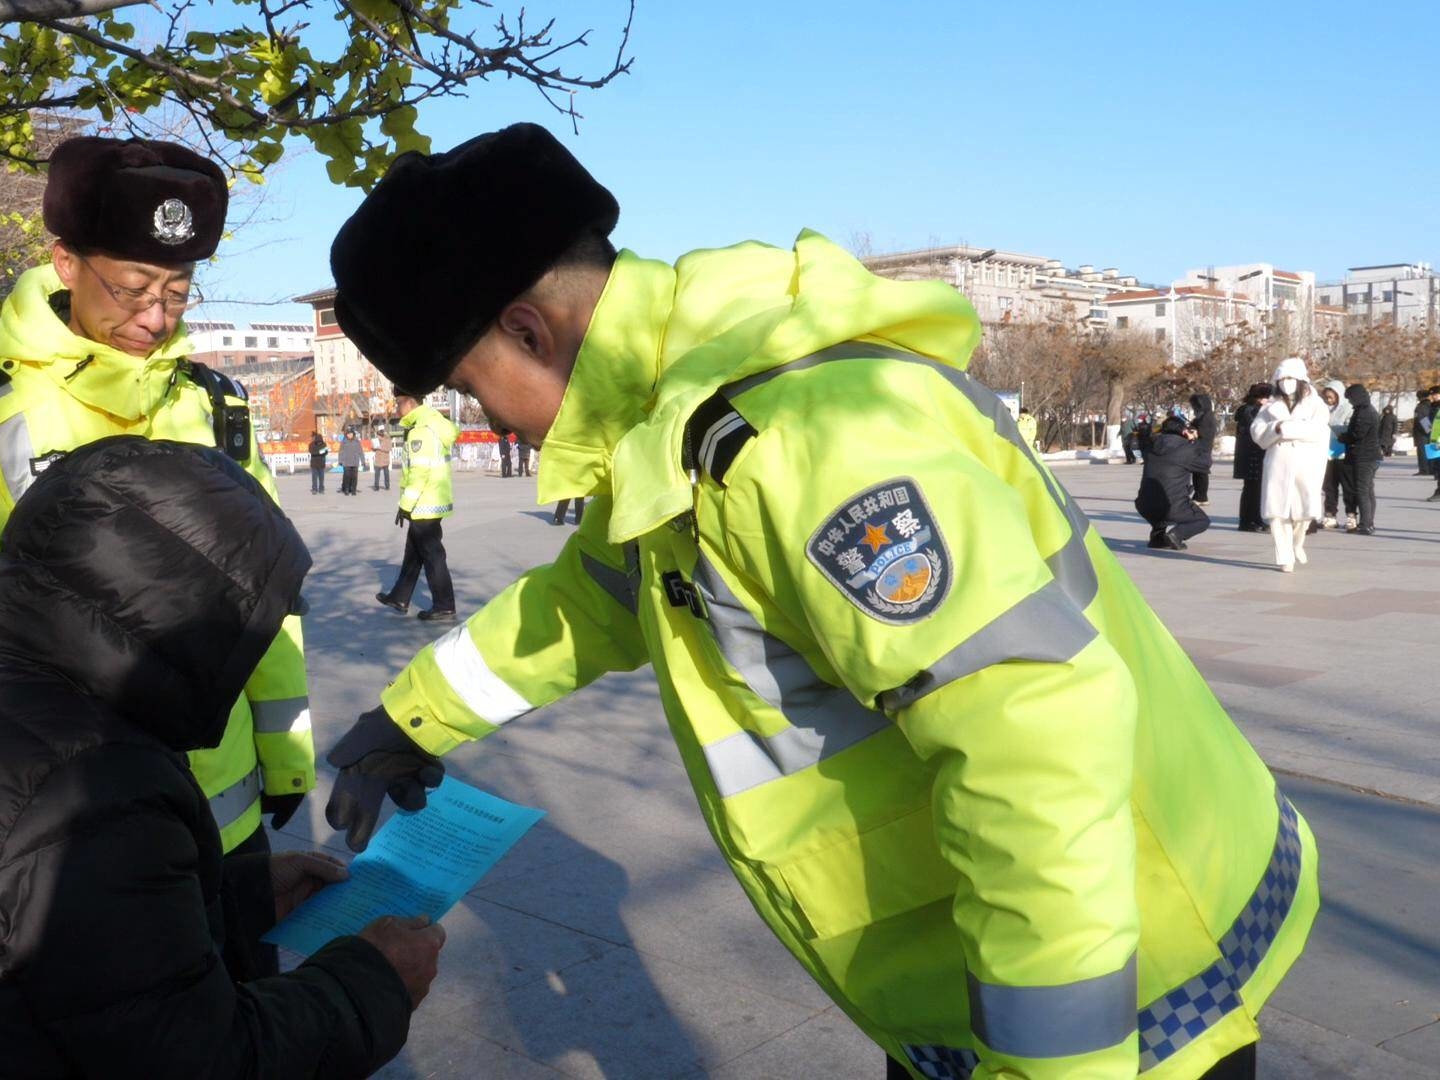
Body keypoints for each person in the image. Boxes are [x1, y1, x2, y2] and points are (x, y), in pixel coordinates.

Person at [318, 123, 1316, 1080]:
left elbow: (1033, 740)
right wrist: (410, 719)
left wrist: (1059, 1064)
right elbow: (593, 598)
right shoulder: (673, 428)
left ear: (527, 328)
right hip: (984, 969)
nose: (489, 419)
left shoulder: (802, 443)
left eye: (468, 386)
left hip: (1116, 980)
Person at [0, 438, 441, 1078]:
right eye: (256, 616)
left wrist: (232, 900)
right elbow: (209, 1063)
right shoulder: (95, 789)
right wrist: (372, 981)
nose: (265, 636)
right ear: (190, 611)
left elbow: (68, 940)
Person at [0, 137, 316, 918]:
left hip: (227, 813)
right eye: (134, 286)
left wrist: (285, 751)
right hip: (66, 829)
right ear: (67, 262)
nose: (155, 316)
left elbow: (264, 606)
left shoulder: (217, 410)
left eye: (178, 291)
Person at [375, 389, 458, 622]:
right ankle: (400, 597)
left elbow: (420, 472)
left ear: (410, 403)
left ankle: (444, 604)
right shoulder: (433, 423)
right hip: (433, 499)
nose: (396, 408)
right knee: (414, 552)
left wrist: (405, 504)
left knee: (432, 554)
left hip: (424, 503)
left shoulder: (421, 431)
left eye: (398, 403)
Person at [1251, 358, 1332, 573]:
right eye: (1282, 378)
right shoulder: (1270, 406)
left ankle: (1297, 544)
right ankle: (1284, 556)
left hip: (1306, 463)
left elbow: (1318, 430)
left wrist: (1288, 429)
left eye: (1290, 378)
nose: (1286, 382)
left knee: (1304, 513)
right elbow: (1257, 433)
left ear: (1300, 380)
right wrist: (1276, 428)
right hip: (1278, 463)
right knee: (1277, 513)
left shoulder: (1316, 404)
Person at [1135, 416, 1210, 550]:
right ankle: (1176, 535)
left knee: (1160, 508)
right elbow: (1205, 465)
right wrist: (1195, 441)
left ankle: (1157, 538)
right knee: (1202, 521)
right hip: (1171, 505)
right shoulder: (1186, 448)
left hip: (1144, 505)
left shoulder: (1151, 446)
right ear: (1183, 431)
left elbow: (1143, 442)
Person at [1338, 383, 1382, 535]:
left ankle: (1366, 525)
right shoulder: (1365, 410)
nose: (1349, 401)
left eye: (1350, 398)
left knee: (1362, 491)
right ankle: (1369, 523)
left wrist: (1342, 437)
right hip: (1369, 456)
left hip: (1364, 457)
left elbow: (1357, 435)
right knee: (1368, 490)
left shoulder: (1365, 413)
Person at [1232, 383, 1272, 532]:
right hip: (1251, 456)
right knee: (1252, 489)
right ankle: (1248, 521)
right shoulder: (1250, 411)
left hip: (1254, 455)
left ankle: (1254, 519)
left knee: (1255, 489)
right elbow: (1256, 431)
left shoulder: (1252, 410)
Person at [1317, 383, 1355, 531]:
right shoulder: (1322, 409)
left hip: (1343, 453)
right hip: (1327, 453)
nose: (1329, 400)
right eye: (1326, 397)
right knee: (1329, 487)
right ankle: (1330, 514)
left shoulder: (1347, 408)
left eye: (1331, 397)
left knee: (1348, 487)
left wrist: (1333, 427)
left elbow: (1349, 428)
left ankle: (1351, 515)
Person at [1188, 392, 1218, 505]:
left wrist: (1196, 432)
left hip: (1203, 447)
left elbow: (1206, 432)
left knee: (1201, 472)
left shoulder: (1207, 417)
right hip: (1198, 447)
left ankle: (1202, 496)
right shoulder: (1202, 416)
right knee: (1197, 472)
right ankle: (1199, 495)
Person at [338, 426, 364, 495]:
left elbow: (360, 451)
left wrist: (363, 461)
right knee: (347, 476)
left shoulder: (357, 441)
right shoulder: (344, 442)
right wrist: (340, 461)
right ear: (346, 435)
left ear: (353, 434)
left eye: (351, 434)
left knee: (354, 477)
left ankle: (353, 490)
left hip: (355, 462)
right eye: (348, 434)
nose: (350, 435)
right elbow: (341, 452)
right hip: (346, 462)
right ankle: (346, 489)